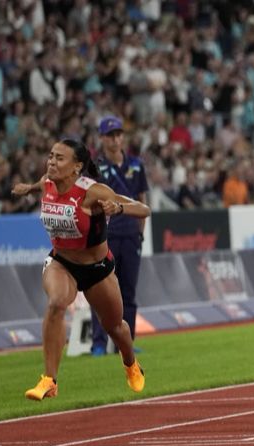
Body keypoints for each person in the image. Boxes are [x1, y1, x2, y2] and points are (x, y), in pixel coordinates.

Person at [12, 138, 148, 400]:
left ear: (76, 167)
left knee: (116, 328)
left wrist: (118, 208)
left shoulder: (92, 191)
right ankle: (49, 380)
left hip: (98, 269)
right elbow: (39, 186)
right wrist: (27, 189)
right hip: (62, 263)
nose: (51, 161)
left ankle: (130, 363)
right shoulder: (47, 182)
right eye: (50, 155)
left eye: (59, 158)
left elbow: (144, 209)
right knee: (56, 303)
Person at [90, 116, 150, 356]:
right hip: (107, 236)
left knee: (128, 292)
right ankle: (98, 343)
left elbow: (142, 200)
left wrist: (140, 234)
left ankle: (126, 343)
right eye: (110, 135)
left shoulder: (136, 164)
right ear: (102, 138)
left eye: (118, 135)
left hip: (130, 236)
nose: (115, 140)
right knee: (102, 291)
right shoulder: (96, 166)